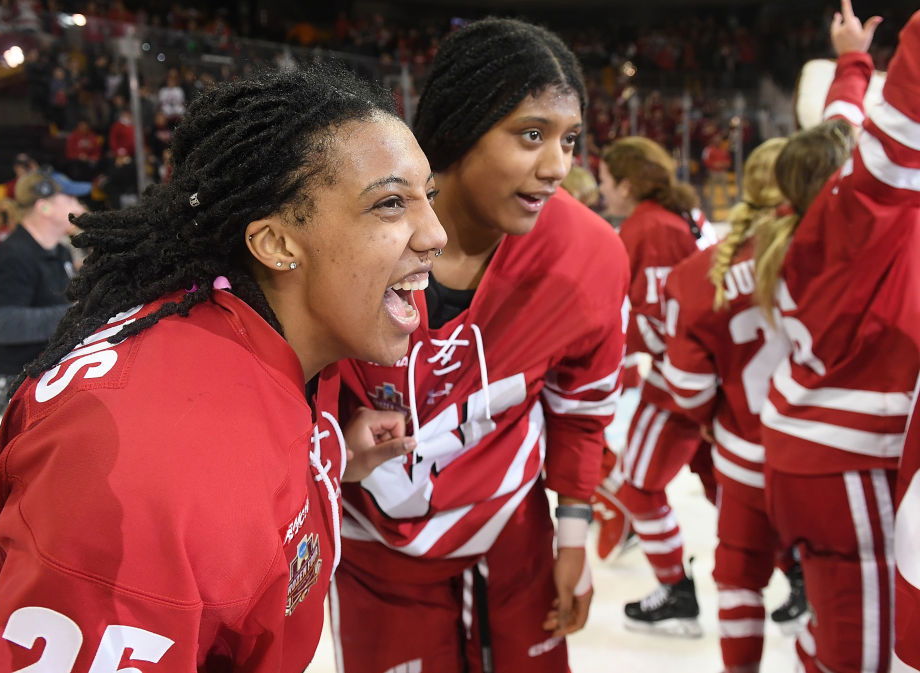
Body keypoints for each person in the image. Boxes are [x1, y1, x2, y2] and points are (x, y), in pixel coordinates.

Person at [0, 66, 445, 671]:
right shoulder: (156, 476)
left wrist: (333, 456)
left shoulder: (252, 326)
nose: (435, 233)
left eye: (429, 197)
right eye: (390, 203)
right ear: (278, 244)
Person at [321, 18, 629, 672]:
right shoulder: (350, 239)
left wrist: (573, 534)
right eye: (532, 134)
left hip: (513, 543)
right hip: (377, 554)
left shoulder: (590, 253)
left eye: (570, 140)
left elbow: (582, 410)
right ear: (461, 126)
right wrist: (326, 451)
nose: (558, 167)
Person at [755, 4, 918, 672]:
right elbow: (889, 135)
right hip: (843, 456)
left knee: (841, 620)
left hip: (812, 452)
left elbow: (840, 130)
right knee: (868, 647)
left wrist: (853, 60)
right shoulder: (853, 221)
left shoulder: (816, 217)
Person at [660, 138, 808, 673]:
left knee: (739, 576)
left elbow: (689, 389)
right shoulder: (831, 255)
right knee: (833, 571)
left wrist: (706, 423)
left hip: (744, 454)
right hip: (824, 457)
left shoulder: (698, 275)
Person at [596, 135, 716, 636]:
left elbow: (663, 322)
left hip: (678, 386)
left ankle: (677, 592)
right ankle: (799, 574)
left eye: (606, 182)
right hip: (707, 380)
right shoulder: (679, 217)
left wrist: (597, 350)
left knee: (640, 491)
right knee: (726, 488)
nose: (603, 193)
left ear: (627, 183)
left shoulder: (651, 227)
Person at [0, 170, 81, 415]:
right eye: (69, 199)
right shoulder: (11, 256)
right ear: (44, 207)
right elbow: (4, 325)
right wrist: (80, 313)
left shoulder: (61, 253)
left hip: (53, 374)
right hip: (23, 382)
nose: (78, 206)